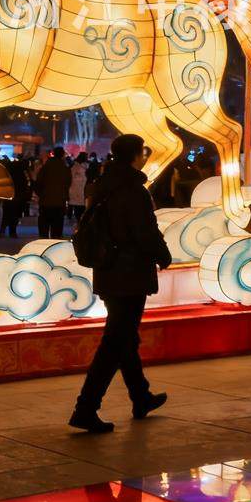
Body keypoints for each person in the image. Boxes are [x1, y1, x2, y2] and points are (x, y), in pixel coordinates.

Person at [70, 134, 171, 433]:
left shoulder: (102, 185)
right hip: (129, 273)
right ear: (135, 156)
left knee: (125, 337)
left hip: (107, 271)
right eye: (143, 152)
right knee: (115, 343)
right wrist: (162, 255)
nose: (145, 156)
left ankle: (140, 396)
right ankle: (86, 408)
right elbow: (144, 231)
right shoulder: (133, 190)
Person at [35, 146, 71, 239]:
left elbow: (38, 182)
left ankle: (44, 242)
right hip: (60, 201)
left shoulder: (46, 167)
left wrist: (41, 194)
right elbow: (68, 184)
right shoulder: (65, 168)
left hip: (46, 200)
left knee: (44, 226)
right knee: (57, 227)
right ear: (62, 155)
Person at [2, 157, 30, 237]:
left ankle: (4, 229)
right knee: (15, 215)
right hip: (18, 198)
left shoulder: (9, 175)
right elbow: (25, 186)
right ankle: (12, 231)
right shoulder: (22, 175)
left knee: (8, 214)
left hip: (9, 197)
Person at [68, 152, 88, 221]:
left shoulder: (83, 166)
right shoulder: (75, 166)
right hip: (76, 188)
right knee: (78, 206)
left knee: (78, 205)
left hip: (80, 188)